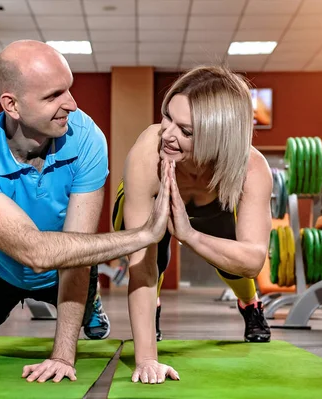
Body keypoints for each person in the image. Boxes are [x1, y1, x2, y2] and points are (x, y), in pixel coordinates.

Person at [0, 40, 173, 383]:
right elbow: (33, 251)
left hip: (67, 265)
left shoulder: (87, 138)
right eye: (53, 96)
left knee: (79, 270)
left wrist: (63, 357)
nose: (71, 103)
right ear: (12, 105)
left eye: (69, 89)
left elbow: (76, 248)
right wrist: (142, 235)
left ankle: (89, 300)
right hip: (0, 267)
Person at [113, 65, 273, 384]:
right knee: (150, 259)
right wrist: (146, 359)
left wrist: (189, 235)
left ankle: (250, 304)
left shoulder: (252, 169)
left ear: (218, 138)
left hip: (212, 206)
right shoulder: (149, 152)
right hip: (153, 198)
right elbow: (140, 266)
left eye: (185, 131)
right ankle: (153, 306)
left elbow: (253, 260)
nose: (168, 134)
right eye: (167, 117)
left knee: (231, 261)